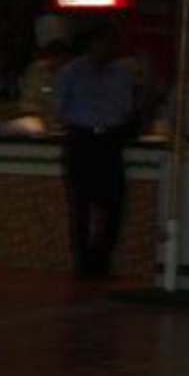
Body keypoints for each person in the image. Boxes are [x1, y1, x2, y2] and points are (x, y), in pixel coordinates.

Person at [54, 23, 139, 278]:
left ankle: (102, 260)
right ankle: (83, 262)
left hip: (110, 140)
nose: (109, 48)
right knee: (80, 205)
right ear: (91, 44)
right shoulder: (72, 72)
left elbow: (127, 107)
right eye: (104, 42)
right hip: (82, 138)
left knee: (114, 205)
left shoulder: (123, 73)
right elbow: (60, 107)